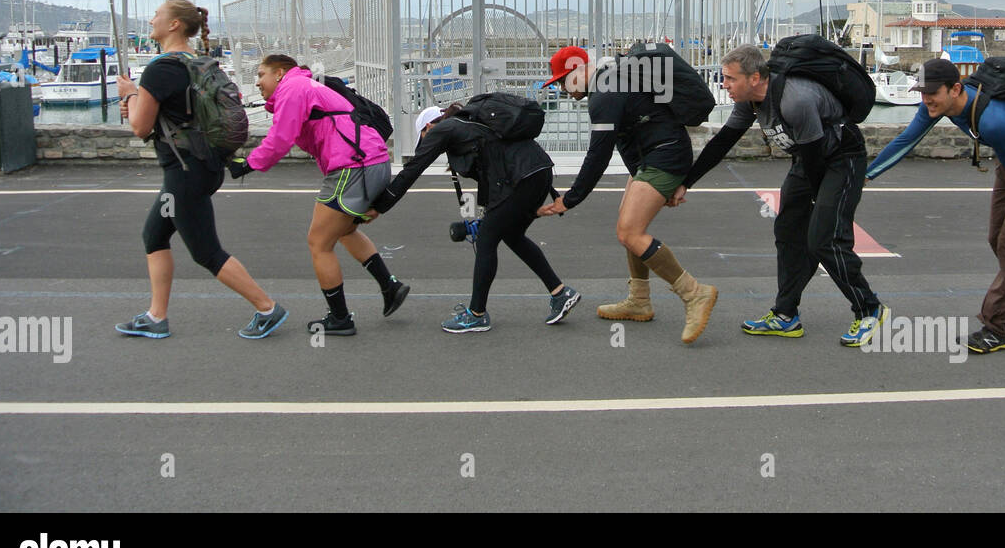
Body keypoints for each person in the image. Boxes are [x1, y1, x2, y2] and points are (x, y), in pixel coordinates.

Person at [671, 44, 887, 343]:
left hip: (842, 159)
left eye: (731, 79)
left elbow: (816, 158)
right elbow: (722, 143)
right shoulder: (749, 102)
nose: (725, 85)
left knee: (824, 239)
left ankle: (869, 309)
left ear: (756, 77)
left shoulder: (795, 100)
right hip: (808, 161)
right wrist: (687, 182)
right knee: (787, 231)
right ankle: (785, 315)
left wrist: (816, 203)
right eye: (725, 78)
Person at [866, 58, 1005, 353]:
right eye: (922, 93)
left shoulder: (994, 120)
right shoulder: (937, 107)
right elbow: (906, 140)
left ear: (955, 89)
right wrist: (867, 174)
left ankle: (995, 328)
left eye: (932, 94)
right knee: (998, 239)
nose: (926, 100)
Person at [115, 0, 288, 340]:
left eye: (157, 15)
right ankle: (156, 316)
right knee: (154, 235)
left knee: (206, 252)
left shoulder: (160, 69)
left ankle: (267, 308)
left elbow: (139, 126)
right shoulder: (200, 62)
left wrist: (132, 94)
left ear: (174, 24)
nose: (152, 19)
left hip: (185, 174)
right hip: (201, 167)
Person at [536, 46, 717, 344]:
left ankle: (695, 294)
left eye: (562, 80)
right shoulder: (609, 84)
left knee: (630, 232)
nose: (562, 89)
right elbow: (627, 140)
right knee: (628, 226)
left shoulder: (605, 94)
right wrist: (644, 177)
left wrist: (570, 199)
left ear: (579, 70)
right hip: (656, 156)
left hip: (664, 155)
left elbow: (599, 154)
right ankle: (640, 300)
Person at [227, 55, 407, 336]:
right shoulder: (305, 87)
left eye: (261, 75)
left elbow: (280, 138)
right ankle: (390, 286)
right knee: (344, 231)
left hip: (353, 167)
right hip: (370, 161)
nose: (257, 82)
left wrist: (248, 164)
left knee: (318, 243)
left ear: (279, 73)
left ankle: (340, 318)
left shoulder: (293, 88)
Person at [365, 104, 578, 333]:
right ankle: (560, 292)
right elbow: (493, 170)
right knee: (512, 235)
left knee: (487, 239)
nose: (426, 143)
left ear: (428, 126)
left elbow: (412, 170)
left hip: (521, 178)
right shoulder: (471, 124)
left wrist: (380, 206)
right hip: (537, 172)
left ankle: (477, 314)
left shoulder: (444, 130)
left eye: (423, 138)